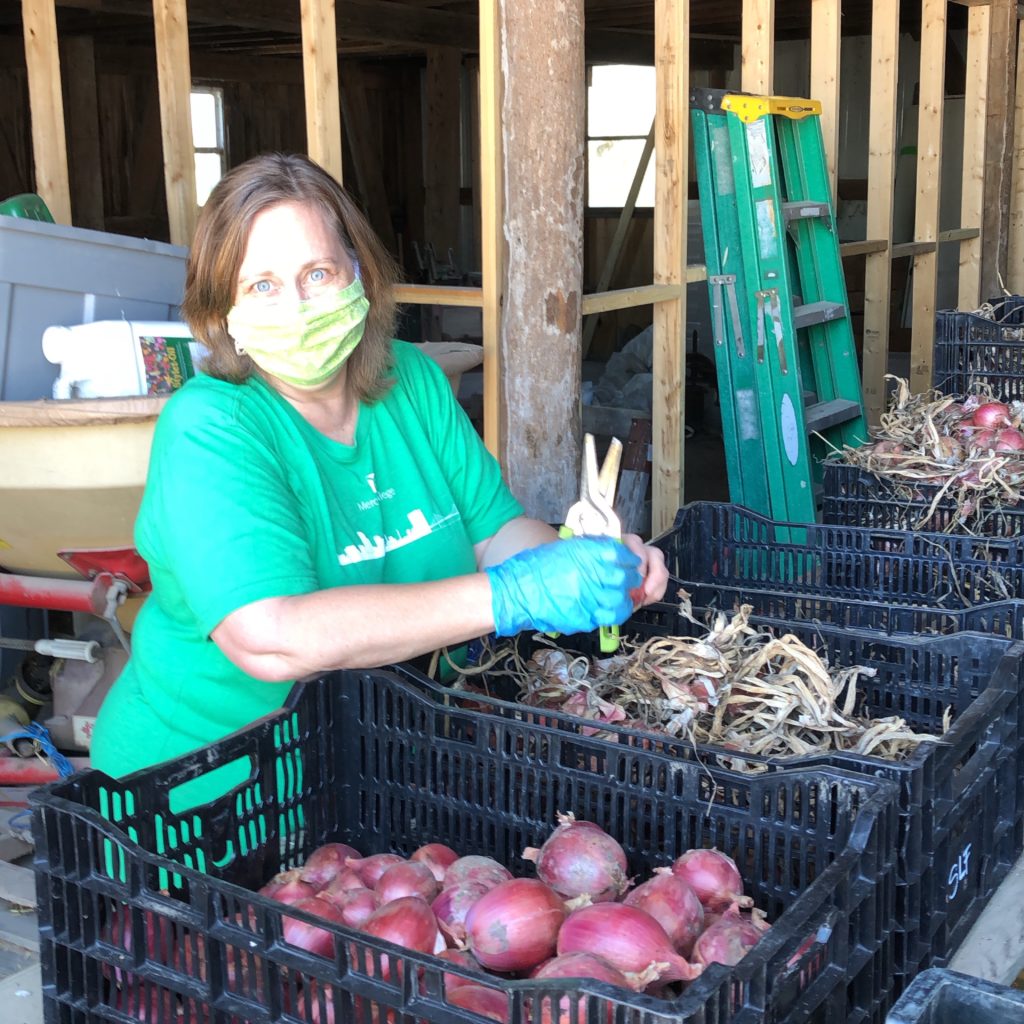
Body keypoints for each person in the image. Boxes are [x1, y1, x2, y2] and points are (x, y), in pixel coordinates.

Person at [90, 153, 668, 806]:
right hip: (207, 795)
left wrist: (581, 566)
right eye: (263, 286)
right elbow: (272, 636)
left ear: (358, 276)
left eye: (317, 272)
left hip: (383, 772)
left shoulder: (411, 383)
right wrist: (509, 597)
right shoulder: (211, 428)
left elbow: (495, 533)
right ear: (222, 313)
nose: (299, 306)